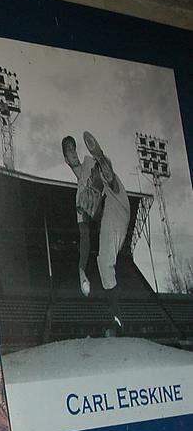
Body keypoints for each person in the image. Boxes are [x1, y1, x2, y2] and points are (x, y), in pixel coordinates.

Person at [84, 132, 130, 335]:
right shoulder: (106, 194)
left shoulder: (108, 177)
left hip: (118, 219)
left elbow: (107, 172)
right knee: (104, 263)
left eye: (94, 174)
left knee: (104, 262)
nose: (94, 177)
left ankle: (118, 317)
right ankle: (118, 317)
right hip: (117, 222)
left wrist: (98, 154)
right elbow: (96, 217)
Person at [62, 133, 103, 297]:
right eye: (68, 152)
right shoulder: (78, 196)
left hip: (103, 202)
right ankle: (81, 272)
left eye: (73, 149)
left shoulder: (87, 161)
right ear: (66, 160)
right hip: (91, 211)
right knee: (85, 233)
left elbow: (102, 169)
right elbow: (84, 236)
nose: (73, 153)